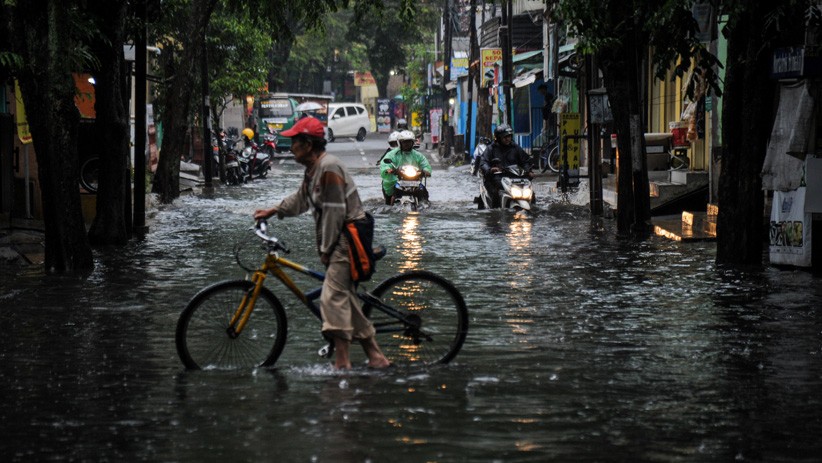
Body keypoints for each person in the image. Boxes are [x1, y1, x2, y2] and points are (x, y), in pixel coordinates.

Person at [252, 116, 391, 371]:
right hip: (338, 236)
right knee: (344, 297)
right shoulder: (313, 170)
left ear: (307, 144)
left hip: (346, 239)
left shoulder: (329, 168)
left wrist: (326, 249)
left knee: (331, 298)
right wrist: (272, 210)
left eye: (295, 142)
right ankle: (376, 356)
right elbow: (301, 199)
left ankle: (342, 362)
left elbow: (334, 213)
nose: (291, 147)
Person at [479, 124, 534, 208]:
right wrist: (490, 169)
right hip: (497, 178)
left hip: (515, 177)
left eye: (509, 136)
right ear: (498, 138)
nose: (508, 138)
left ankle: (533, 207)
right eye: (505, 137)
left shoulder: (515, 148)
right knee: (495, 192)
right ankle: (494, 213)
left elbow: (525, 161)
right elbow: (483, 162)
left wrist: (528, 171)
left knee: (531, 192)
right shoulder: (491, 149)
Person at [380, 130, 432, 205]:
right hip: (396, 179)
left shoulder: (418, 155)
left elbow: (425, 164)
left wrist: (426, 171)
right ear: (400, 143)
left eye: (409, 142)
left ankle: (425, 205)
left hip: (415, 180)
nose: (406, 144)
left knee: (423, 191)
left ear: (412, 143)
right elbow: (385, 164)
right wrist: (388, 169)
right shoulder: (392, 154)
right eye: (404, 142)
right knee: (388, 199)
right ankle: (390, 205)